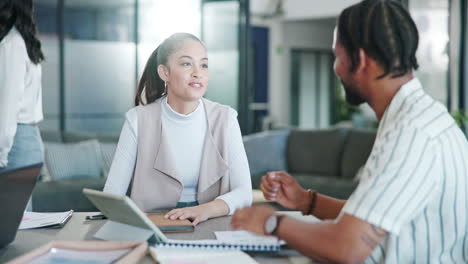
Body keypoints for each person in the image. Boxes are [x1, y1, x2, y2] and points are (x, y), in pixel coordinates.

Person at [232, 0, 468, 263]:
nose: (336, 69)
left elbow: (348, 247)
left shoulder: (412, 134)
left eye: (337, 56)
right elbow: (371, 218)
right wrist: (306, 201)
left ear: (362, 60)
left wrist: (270, 222)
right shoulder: (420, 117)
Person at [104, 33, 252, 225]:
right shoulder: (137, 119)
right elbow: (112, 195)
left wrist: (205, 210)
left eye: (204, 65)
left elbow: (244, 193)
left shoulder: (226, 118)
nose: (197, 72)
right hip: (153, 225)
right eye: (186, 64)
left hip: (211, 223)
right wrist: (142, 220)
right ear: (164, 72)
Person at [0, 0, 44, 177]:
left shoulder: (11, 44)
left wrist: (1, 157)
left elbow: (7, 109)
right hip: (29, 140)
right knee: (22, 205)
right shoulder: (26, 42)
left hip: (14, 145)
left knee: (11, 206)